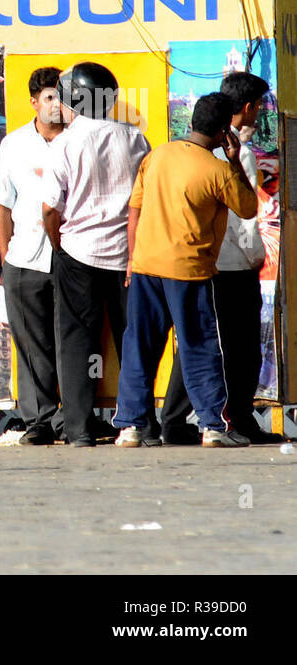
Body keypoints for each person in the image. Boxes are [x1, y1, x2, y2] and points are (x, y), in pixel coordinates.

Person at [113, 92, 258, 448]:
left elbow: (135, 211)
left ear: (191, 121)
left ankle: (130, 426)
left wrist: (132, 259)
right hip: (189, 271)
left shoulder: (157, 155)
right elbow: (249, 207)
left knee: (139, 346)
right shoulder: (219, 170)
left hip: (146, 266)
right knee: (199, 346)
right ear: (226, 131)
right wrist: (235, 160)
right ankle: (213, 426)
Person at [160, 73, 288, 445]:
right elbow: (245, 218)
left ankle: (173, 418)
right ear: (247, 108)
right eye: (260, 107)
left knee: (197, 341)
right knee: (241, 347)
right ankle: (236, 419)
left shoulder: (183, 149)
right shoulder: (239, 155)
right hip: (231, 264)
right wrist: (254, 259)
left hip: (196, 260)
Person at [40, 62, 150, 446]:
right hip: (128, 255)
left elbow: (51, 209)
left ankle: (79, 428)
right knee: (131, 338)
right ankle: (139, 424)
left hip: (78, 252)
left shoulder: (65, 143)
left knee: (78, 341)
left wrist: (58, 244)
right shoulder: (135, 139)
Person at [0, 66, 67, 445]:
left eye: (61, 96)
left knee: (71, 340)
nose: (55, 104)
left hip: (73, 256)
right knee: (31, 343)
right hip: (25, 257)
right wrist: (7, 259)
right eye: (49, 97)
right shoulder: (15, 144)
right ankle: (39, 420)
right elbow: (2, 206)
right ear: (34, 102)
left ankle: (72, 418)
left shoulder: (79, 140)